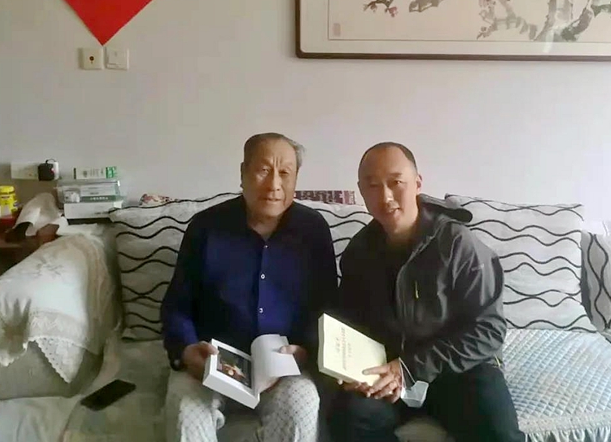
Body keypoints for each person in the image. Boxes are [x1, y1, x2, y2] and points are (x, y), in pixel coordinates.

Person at [329, 142, 525, 442]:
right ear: (361, 191)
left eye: (396, 182)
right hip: (390, 372)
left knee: (500, 435)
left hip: (460, 371)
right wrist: (347, 367)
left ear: (417, 183)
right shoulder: (359, 251)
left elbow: (489, 330)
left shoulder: (458, 244)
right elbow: (350, 321)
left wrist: (410, 368)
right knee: (349, 418)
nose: (385, 196)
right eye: (373, 186)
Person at [161, 133, 338, 442]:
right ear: (243, 173)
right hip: (211, 362)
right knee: (185, 410)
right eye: (263, 170)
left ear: (296, 178)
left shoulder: (313, 230)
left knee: (302, 406)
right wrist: (187, 350)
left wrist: (306, 351)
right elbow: (177, 305)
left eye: (285, 173)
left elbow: (327, 307)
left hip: (283, 367)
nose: (274, 185)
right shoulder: (206, 227)